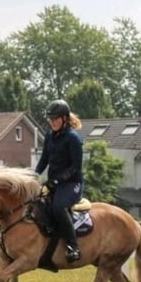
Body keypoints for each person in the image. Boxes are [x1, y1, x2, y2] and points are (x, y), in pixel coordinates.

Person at [35, 99, 84, 263]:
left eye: (56, 118)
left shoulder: (73, 138)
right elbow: (44, 160)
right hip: (54, 183)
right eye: (50, 119)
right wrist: (33, 175)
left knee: (58, 206)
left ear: (64, 119)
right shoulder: (49, 136)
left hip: (72, 184)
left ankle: (73, 247)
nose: (53, 122)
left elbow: (75, 167)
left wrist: (56, 181)